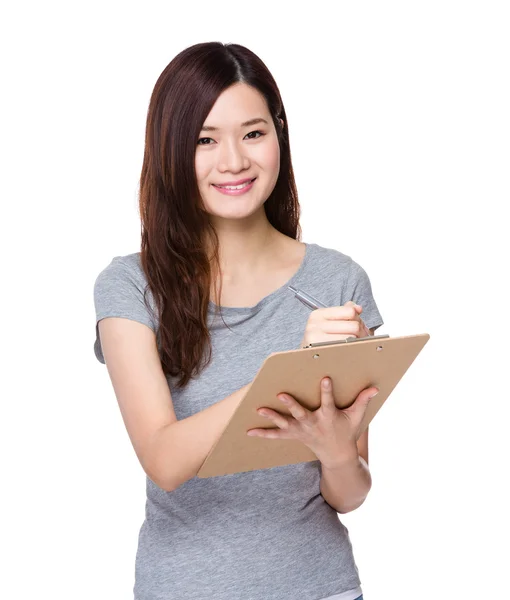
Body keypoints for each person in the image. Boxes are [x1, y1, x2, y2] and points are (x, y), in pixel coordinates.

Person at [93, 41, 384, 600]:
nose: (233, 161)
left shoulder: (338, 281)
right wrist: (287, 374)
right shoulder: (130, 286)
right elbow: (165, 460)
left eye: (253, 133)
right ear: (171, 150)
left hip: (321, 587)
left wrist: (336, 448)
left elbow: (351, 493)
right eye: (205, 140)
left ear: (279, 135)